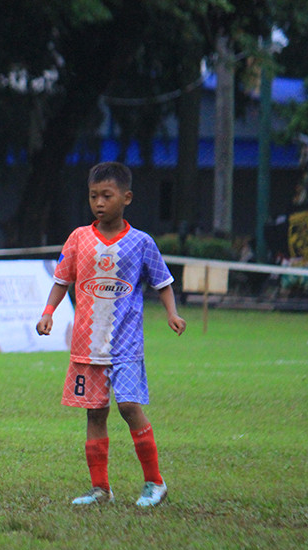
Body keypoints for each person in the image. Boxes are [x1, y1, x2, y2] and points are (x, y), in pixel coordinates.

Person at [36, 161, 186, 507]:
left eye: (107, 195)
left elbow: (162, 281)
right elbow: (62, 279)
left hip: (126, 346)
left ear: (127, 197)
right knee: (94, 412)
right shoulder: (78, 238)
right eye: (93, 196)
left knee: (129, 407)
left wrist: (172, 313)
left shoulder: (141, 243)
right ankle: (100, 489)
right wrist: (47, 313)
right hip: (87, 345)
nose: (99, 203)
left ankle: (155, 482)